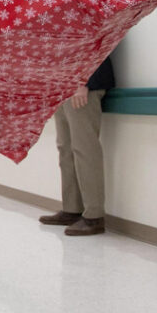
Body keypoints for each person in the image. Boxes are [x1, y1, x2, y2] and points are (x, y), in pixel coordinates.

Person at [39, 55, 115, 236]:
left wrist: (83, 81)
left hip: (82, 85)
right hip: (63, 86)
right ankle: (71, 210)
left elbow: (95, 42)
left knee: (85, 149)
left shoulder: (87, 24)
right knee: (65, 149)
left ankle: (94, 216)